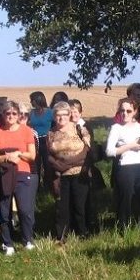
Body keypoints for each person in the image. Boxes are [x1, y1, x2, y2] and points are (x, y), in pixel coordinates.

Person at [0, 101, 37, 255]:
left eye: (14, 113)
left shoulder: (26, 131)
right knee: (4, 210)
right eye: (7, 113)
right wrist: (6, 158)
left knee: (25, 209)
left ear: (19, 115)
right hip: (3, 175)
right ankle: (7, 243)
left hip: (23, 173)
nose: (10, 116)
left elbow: (32, 155)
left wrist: (19, 154)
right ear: (3, 115)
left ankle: (27, 239)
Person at [106, 98, 140, 227]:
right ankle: (123, 229)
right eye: (122, 110)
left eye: (128, 111)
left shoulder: (138, 126)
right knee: (125, 201)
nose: (125, 113)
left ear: (135, 111)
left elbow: (139, 142)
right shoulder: (116, 128)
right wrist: (130, 146)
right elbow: (109, 151)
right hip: (125, 167)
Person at [47, 101, 91, 243]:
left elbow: (87, 150)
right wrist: (59, 167)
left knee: (80, 205)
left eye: (64, 115)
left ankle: (83, 233)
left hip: (79, 173)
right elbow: (48, 155)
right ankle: (62, 236)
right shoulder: (51, 133)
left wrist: (67, 164)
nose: (61, 118)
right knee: (62, 208)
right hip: (61, 176)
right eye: (58, 115)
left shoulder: (79, 129)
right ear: (54, 117)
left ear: (69, 114)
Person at [69, 99, 101, 233]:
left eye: (75, 112)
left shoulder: (86, 127)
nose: (73, 115)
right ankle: (76, 227)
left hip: (86, 166)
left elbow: (91, 148)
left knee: (88, 199)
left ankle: (91, 227)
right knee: (74, 199)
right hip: (71, 167)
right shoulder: (67, 128)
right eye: (70, 112)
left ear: (81, 113)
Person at [28, 91, 53, 188]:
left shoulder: (50, 112)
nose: (30, 102)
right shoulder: (31, 113)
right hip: (35, 141)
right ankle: (37, 187)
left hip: (46, 140)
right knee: (36, 164)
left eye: (32, 100)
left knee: (47, 164)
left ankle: (49, 186)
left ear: (38, 100)